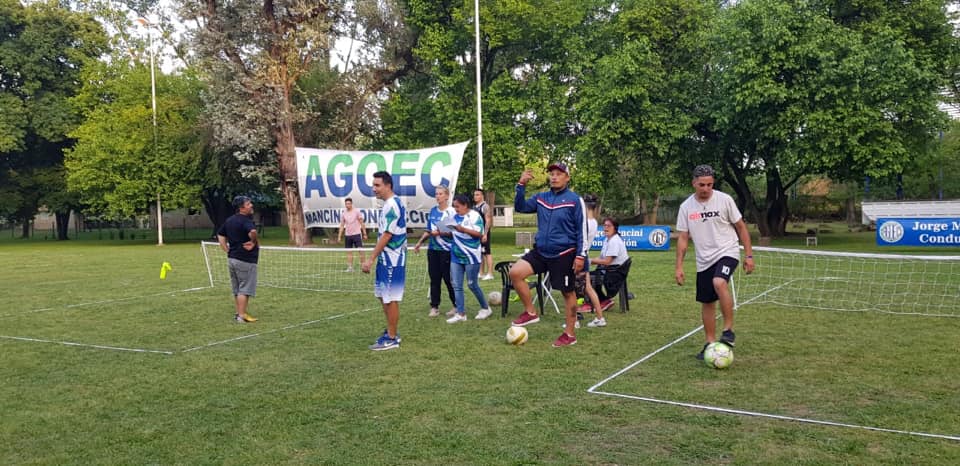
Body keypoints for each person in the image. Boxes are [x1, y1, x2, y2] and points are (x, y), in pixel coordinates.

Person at [675, 164, 755, 359]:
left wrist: (749, 255)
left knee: (719, 282)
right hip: (704, 259)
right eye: (702, 184)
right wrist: (679, 266)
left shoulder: (724, 200)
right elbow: (683, 238)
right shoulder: (686, 207)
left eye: (710, 184)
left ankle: (728, 331)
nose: (706, 189)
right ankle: (710, 344)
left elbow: (741, 227)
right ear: (694, 183)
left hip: (727, 251)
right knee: (707, 302)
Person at [509, 162, 589, 347]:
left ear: (567, 178)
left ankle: (569, 335)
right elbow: (520, 207)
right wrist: (521, 186)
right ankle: (530, 312)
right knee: (515, 273)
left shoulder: (575, 200)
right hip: (541, 251)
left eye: (558, 174)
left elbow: (581, 231)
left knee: (567, 293)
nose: (554, 177)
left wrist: (580, 255)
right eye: (551, 173)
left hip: (564, 253)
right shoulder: (541, 198)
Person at [362, 171, 407, 351]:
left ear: (388, 185)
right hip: (386, 258)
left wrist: (370, 259)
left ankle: (392, 338)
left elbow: (387, 235)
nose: (374, 189)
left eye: (377, 185)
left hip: (393, 259)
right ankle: (390, 330)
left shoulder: (392, 206)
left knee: (390, 298)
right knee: (383, 296)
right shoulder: (389, 204)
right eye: (373, 185)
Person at [446, 193, 493, 323]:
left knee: (472, 285)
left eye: (458, 206)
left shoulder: (475, 216)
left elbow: (479, 233)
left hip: (471, 255)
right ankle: (461, 313)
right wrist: (442, 232)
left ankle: (485, 308)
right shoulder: (453, 217)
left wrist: (463, 229)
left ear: (465, 205)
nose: (456, 209)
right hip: (456, 255)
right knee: (457, 285)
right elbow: (452, 234)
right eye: (454, 207)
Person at [413, 185, 457, 318]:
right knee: (434, 279)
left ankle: (456, 305)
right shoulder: (433, 211)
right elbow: (428, 230)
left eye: (440, 194)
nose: (437, 196)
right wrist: (420, 242)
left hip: (446, 251)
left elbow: (453, 232)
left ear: (447, 196)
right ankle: (434, 306)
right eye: (436, 194)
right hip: (433, 250)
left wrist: (438, 232)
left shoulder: (451, 212)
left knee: (448, 279)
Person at [216, 195, 260, 323]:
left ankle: (239, 313)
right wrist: (253, 242)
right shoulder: (246, 220)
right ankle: (241, 316)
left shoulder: (230, 220)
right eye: (248, 204)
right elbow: (253, 232)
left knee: (237, 289)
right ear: (241, 208)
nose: (251, 205)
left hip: (232, 259)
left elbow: (220, 234)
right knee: (245, 288)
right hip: (245, 260)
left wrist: (225, 248)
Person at [578, 195, 610, 328]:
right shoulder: (594, 222)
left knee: (573, 290)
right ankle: (599, 317)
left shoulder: (585, 223)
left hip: (580, 256)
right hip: (585, 255)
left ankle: (574, 320)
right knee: (588, 289)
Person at [589, 217, 629, 324]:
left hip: (614, 272)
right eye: (604, 226)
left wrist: (589, 261)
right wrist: (589, 261)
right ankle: (601, 300)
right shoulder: (608, 240)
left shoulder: (614, 241)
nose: (605, 228)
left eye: (608, 226)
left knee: (585, 277)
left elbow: (607, 261)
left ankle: (601, 301)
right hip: (610, 270)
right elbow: (602, 258)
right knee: (587, 273)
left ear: (615, 228)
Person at [336, 197, 367, 272]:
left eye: (349, 203)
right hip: (348, 235)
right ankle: (350, 268)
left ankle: (364, 266)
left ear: (351, 204)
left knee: (361, 251)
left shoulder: (357, 212)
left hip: (357, 234)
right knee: (349, 252)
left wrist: (364, 233)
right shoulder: (344, 213)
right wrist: (339, 236)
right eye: (346, 204)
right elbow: (342, 225)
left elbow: (362, 223)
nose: (347, 205)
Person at [473, 188, 495, 280]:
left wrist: (485, 234)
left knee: (487, 253)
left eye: (478, 195)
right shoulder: (475, 207)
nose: (475, 196)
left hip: (484, 233)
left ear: (482, 196)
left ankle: (490, 273)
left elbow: (488, 220)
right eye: (474, 195)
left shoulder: (485, 206)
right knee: (480, 253)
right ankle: (481, 272)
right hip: (477, 233)